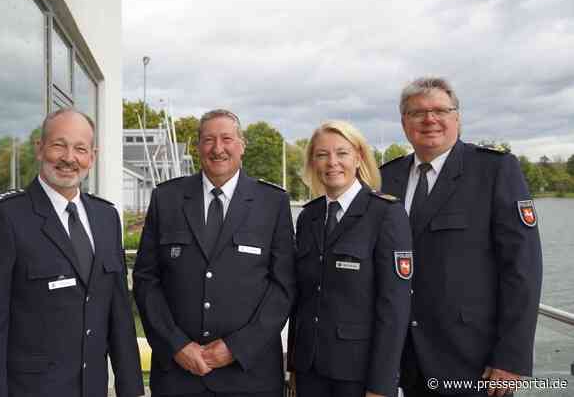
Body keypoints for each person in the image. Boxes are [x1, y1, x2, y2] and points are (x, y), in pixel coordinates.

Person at [0, 109, 144, 397]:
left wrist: (130, 389)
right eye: (59, 145)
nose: (69, 158)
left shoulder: (106, 217)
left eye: (80, 149)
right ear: (40, 149)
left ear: (92, 157)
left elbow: (119, 318)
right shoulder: (3, 217)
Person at [380, 77, 542, 397]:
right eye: (417, 113)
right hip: (402, 359)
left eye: (441, 110)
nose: (430, 120)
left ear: (457, 118)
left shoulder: (494, 170)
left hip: (473, 361)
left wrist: (512, 357)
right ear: (404, 123)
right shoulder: (387, 176)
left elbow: (522, 269)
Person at [133, 109, 296, 397]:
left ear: (242, 145)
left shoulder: (273, 203)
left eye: (226, 139)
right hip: (178, 374)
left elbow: (283, 288)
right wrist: (176, 345)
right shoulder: (167, 199)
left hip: (249, 375)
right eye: (208, 140)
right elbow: (146, 280)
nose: (217, 148)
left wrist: (237, 347)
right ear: (198, 147)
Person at [287, 121, 412, 397]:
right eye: (322, 155)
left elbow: (394, 308)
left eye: (341, 153)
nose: (332, 162)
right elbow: (303, 300)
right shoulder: (309, 217)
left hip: (358, 374)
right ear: (313, 163)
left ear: (358, 157)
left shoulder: (386, 214)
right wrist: (294, 366)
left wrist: (381, 384)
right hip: (309, 371)